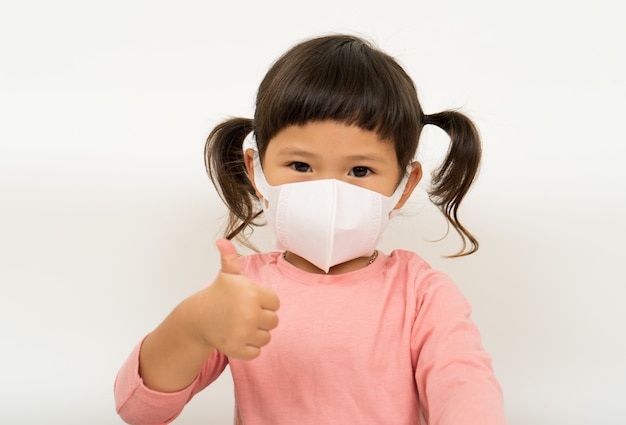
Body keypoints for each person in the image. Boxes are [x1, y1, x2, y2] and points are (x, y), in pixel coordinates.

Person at [114, 34, 506, 425]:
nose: (329, 190)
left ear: (404, 184)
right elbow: (140, 409)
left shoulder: (420, 294)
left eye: (360, 170)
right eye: (301, 166)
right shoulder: (244, 292)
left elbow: (465, 387)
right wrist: (193, 324)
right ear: (256, 171)